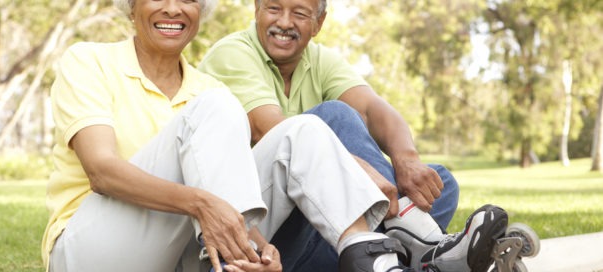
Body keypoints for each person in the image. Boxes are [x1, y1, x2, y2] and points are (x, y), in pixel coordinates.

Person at [42, 0, 424, 271]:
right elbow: (102, 172)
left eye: (188, 0)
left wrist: (260, 248)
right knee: (218, 106)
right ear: (131, 6)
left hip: (187, 257)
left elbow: (227, 189)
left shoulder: (208, 89)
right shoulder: (90, 60)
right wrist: (201, 203)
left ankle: (368, 257)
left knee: (302, 130)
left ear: (200, 13)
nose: (174, 8)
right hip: (93, 252)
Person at [198, 0, 508, 271]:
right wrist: (356, 174)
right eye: (274, 8)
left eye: (300, 13)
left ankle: (401, 250)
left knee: (436, 182)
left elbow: (373, 109)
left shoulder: (319, 60)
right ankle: (418, 246)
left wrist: (407, 160)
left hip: (324, 235)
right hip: (262, 239)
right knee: (331, 116)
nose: (284, 22)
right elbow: (274, 130)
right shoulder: (233, 53)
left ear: (319, 23)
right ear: (256, 9)